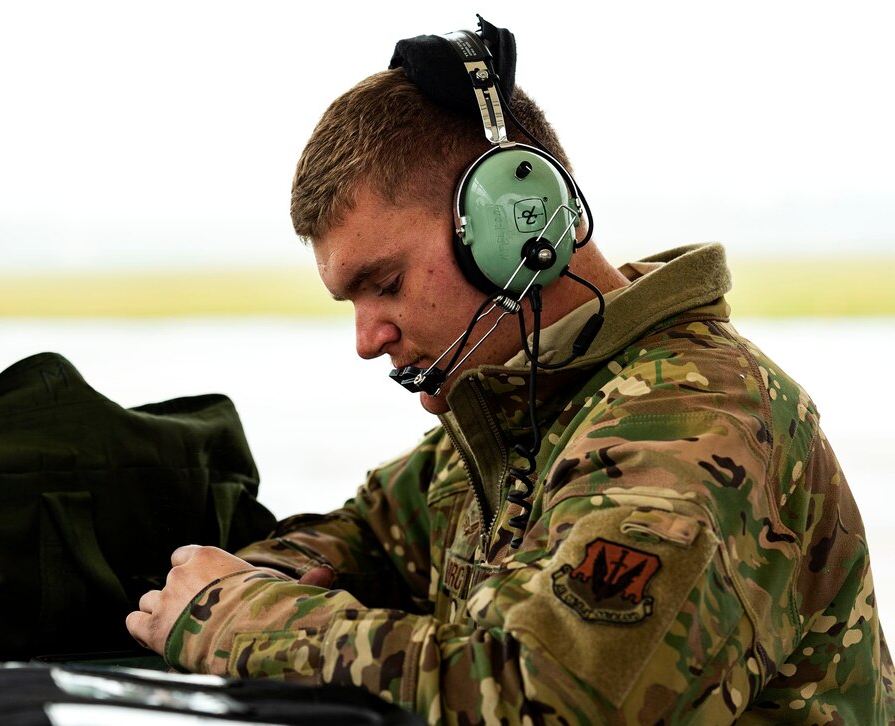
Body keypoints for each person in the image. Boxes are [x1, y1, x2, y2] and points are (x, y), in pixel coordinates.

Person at [126, 19, 895, 724]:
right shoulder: (524, 413)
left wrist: (236, 619)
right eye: (350, 300)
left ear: (512, 227)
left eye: (385, 283)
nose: (368, 338)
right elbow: (360, 539)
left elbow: (539, 695)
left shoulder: (692, 422)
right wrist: (240, 580)